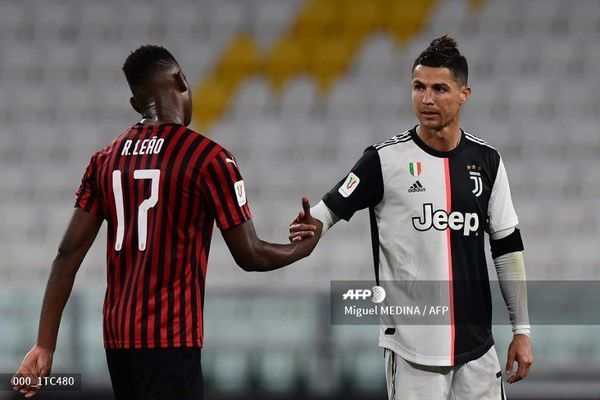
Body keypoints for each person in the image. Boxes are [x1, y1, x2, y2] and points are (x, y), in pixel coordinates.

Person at [12, 45, 318, 400]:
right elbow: (250, 255)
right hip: (171, 339)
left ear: (135, 104)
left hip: (118, 342)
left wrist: (44, 345)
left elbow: (67, 254)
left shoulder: (105, 160)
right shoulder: (210, 159)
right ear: (180, 79)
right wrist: (302, 248)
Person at [289, 35, 533, 399]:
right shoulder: (383, 161)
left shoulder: (488, 162)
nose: (427, 98)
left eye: (439, 88)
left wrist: (522, 330)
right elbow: (328, 210)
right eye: (418, 87)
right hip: (412, 350)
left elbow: (507, 248)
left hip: (478, 349)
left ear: (464, 93)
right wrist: (314, 225)